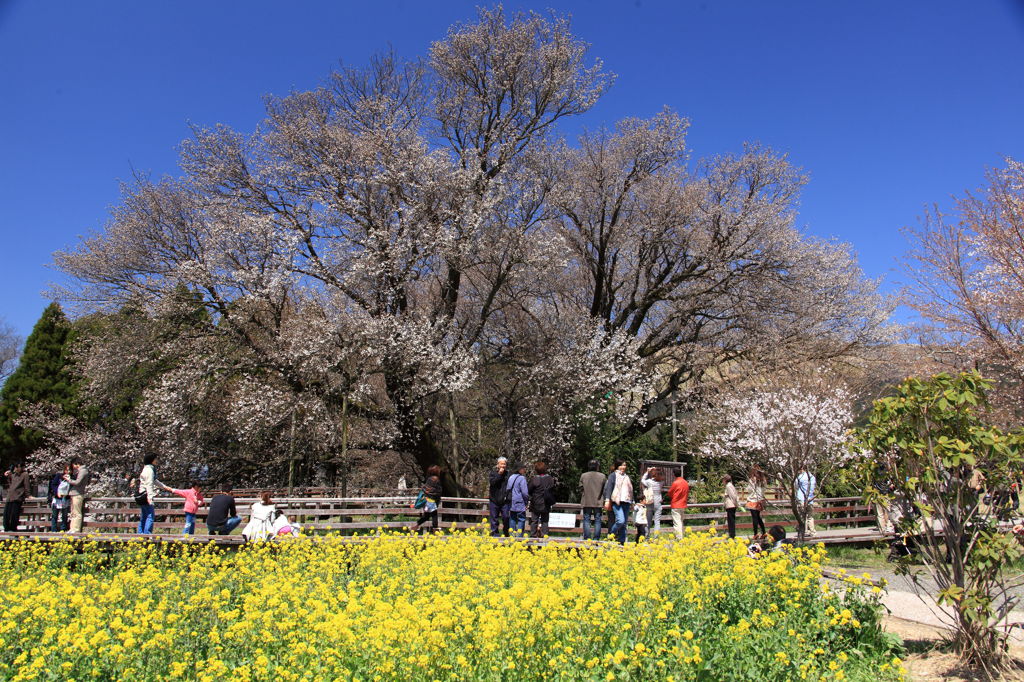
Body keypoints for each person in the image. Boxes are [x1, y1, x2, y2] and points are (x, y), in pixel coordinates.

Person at [137, 454, 172, 534]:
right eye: (155, 459)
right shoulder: (150, 470)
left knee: (144, 516)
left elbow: (154, 481)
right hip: (146, 495)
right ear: (151, 460)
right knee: (150, 516)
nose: (157, 460)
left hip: (142, 494)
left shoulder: (146, 469)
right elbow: (149, 484)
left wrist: (164, 487)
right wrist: (150, 497)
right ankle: (147, 534)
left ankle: (140, 533)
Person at [605, 460, 633, 545]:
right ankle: (611, 534)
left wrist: (632, 501)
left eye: (625, 465)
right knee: (620, 521)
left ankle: (621, 542)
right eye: (622, 465)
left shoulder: (627, 476)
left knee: (624, 524)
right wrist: (607, 500)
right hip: (617, 501)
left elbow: (630, 489)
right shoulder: (613, 475)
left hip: (626, 501)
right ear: (617, 466)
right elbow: (609, 488)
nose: (623, 467)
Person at [579, 459, 607, 540]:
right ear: (598, 466)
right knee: (598, 520)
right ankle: (596, 539)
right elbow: (605, 489)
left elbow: (580, 488)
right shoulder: (602, 476)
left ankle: (587, 538)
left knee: (586, 519)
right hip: (598, 501)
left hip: (586, 500)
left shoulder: (583, 475)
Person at [528, 461, 556, 538]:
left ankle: (533, 536)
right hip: (546, 502)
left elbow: (529, 490)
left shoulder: (534, 479)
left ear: (536, 470)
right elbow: (552, 489)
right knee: (545, 521)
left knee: (534, 521)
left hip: (536, 502)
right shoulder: (550, 479)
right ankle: (544, 536)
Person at [412, 465, 442, 534]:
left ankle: (415, 525)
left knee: (426, 516)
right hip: (431, 501)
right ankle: (435, 531)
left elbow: (425, 489)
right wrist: (437, 498)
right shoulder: (436, 480)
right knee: (434, 515)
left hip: (426, 500)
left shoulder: (429, 479)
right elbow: (438, 491)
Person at [3, 464, 31, 532]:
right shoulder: (13, 474)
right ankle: (6, 528)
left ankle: (13, 529)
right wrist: (7, 475)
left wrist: (28, 495)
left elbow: (26, 485)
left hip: (18, 496)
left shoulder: (25, 474)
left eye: (17, 467)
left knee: (14, 514)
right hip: (10, 496)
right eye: (15, 467)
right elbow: (10, 483)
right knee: (6, 514)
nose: (15, 469)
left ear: (21, 467)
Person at [487, 457, 511, 537]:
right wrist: (499, 474)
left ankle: (506, 533)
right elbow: (493, 483)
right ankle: (495, 535)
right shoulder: (493, 473)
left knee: (506, 517)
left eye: (504, 464)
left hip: (505, 501)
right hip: (494, 500)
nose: (503, 466)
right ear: (498, 464)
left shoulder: (508, 474)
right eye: (501, 464)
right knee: (494, 519)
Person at [65, 457, 89, 533]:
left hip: (78, 494)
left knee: (77, 512)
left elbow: (77, 482)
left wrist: (69, 480)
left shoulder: (83, 471)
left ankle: (76, 529)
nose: (73, 467)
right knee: (73, 512)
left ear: (77, 464)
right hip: (74, 494)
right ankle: (72, 528)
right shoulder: (80, 471)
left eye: (73, 465)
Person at [507, 463, 530, 537]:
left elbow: (508, 489)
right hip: (520, 501)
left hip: (511, 501)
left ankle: (512, 536)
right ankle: (519, 537)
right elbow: (525, 492)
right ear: (520, 469)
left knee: (512, 518)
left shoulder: (511, 477)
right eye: (523, 468)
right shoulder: (522, 478)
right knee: (521, 518)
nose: (524, 470)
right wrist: (526, 502)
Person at [746, 466, 767, 538]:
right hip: (760, 500)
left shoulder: (752, 480)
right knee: (758, 517)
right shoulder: (763, 480)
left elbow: (749, 490)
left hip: (752, 500)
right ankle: (764, 532)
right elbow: (764, 490)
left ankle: (755, 533)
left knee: (754, 518)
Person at [48, 466, 71, 532]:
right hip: (57, 498)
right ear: (64, 470)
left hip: (66, 498)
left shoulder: (71, 478)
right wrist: (57, 492)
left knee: (65, 515)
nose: (68, 472)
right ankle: (53, 529)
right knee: (55, 515)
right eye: (67, 470)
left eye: (70, 470)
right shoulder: (59, 476)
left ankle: (63, 529)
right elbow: (53, 485)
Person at [640, 467, 664, 533]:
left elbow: (642, 480)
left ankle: (647, 536)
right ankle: (656, 536)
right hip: (658, 502)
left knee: (648, 521)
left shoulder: (649, 482)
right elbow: (662, 477)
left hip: (650, 501)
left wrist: (647, 472)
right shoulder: (661, 482)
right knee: (657, 521)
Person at [795, 468, 817, 537]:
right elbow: (813, 487)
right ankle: (812, 531)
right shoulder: (812, 477)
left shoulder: (800, 477)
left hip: (801, 498)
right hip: (810, 499)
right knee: (810, 517)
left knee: (802, 516)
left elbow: (795, 486)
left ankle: (803, 531)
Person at [667, 471, 690, 540]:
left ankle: (679, 538)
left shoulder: (675, 483)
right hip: (683, 504)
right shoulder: (685, 482)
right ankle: (681, 536)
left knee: (677, 522)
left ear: (674, 474)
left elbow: (670, 493)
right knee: (681, 521)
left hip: (675, 504)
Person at [723, 474, 740, 539]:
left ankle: (732, 535)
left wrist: (736, 504)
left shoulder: (728, 486)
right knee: (730, 520)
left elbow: (733, 496)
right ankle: (732, 534)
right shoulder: (730, 485)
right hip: (731, 505)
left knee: (731, 521)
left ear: (725, 480)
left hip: (731, 505)